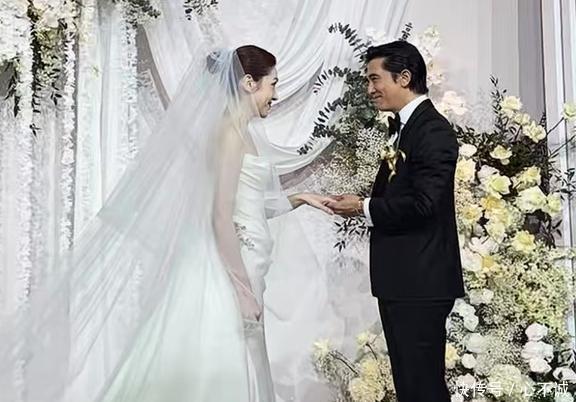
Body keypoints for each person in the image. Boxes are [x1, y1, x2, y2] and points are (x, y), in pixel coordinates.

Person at [0, 46, 332, 402]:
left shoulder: (241, 132)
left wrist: (301, 198)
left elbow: (246, 208)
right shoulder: (229, 134)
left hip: (244, 264)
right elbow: (221, 215)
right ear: (249, 82)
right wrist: (241, 288)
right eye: (273, 84)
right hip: (227, 272)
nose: (276, 94)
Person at [328, 41, 465, 402]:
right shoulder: (405, 128)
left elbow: (424, 204)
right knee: (410, 386)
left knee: (423, 388)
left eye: (375, 79)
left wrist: (364, 207)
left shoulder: (432, 131)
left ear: (404, 77)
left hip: (420, 282)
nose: (369, 89)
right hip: (404, 281)